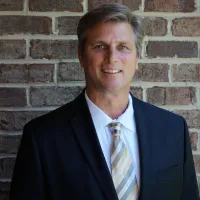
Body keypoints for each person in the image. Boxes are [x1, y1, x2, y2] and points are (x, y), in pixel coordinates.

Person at [9, 3, 199, 200]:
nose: (112, 57)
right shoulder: (42, 138)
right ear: (81, 56)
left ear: (137, 58)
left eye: (123, 47)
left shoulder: (173, 129)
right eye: (100, 46)